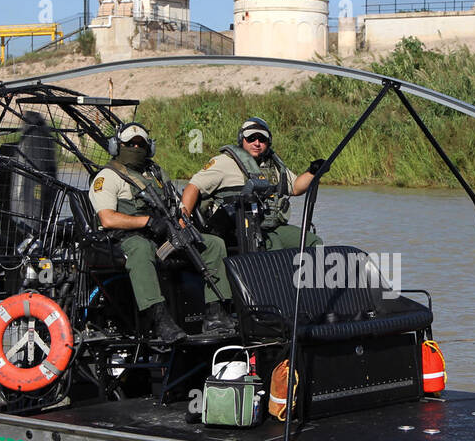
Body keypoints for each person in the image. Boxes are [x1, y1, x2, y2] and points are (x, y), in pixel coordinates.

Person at [88, 122, 235, 343]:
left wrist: (182, 224)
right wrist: (146, 221)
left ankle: (216, 313)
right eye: (130, 144)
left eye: (141, 144)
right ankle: (159, 318)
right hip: (127, 238)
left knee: (213, 244)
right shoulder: (107, 177)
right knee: (140, 248)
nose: (136, 148)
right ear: (116, 146)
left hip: (164, 236)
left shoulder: (155, 173)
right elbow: (107, 218)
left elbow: (176, 204)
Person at [180, 117, 326, 252]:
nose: (257, 143)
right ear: (241, 140)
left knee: (314, 243)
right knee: (273, 244)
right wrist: (183, 219)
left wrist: (313, 172)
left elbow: (295, 187)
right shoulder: (224, 162)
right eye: (251, 138)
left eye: (262, 139)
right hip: (238, 231)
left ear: (268, 142)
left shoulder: (273, 165)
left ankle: (310, 278)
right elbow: (193, 186)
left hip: (271, 227)